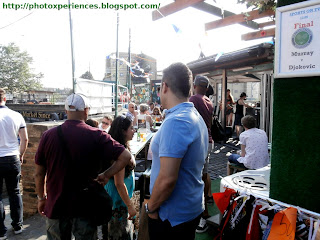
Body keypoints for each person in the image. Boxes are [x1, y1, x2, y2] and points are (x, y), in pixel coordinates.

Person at [34, 93, 133, 240]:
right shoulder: (97, 135)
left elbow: (39, 173)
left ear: (66, 111)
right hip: (85, 207)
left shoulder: (48, 135)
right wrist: (106, 175)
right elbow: (125, 156)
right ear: (86, 110)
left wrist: (41, 198)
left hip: (56, 204)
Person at [146, 63, 208, 240]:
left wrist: (151, 208)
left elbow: (167, 179)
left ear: (164, 86)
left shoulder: (177, 122)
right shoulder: (193, 115)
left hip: (172, 216)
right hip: (189, 207)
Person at [102, 116, 137, 240]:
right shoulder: (119, 152)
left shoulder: (118, 146)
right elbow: (119, 183)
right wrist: (130, 205)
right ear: (123, 131)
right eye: (131, 128)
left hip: (118, 198)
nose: (134, 131)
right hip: (118, 201)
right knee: (118, 234)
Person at [0, 88, 28, 239]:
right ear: (5, 99)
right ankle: (18, 226)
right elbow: (24, 139)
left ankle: (1, 231)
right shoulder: (16, 115)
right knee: (15, 191)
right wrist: (21, 155)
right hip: (12, 157)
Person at [189, 75, 213, 233]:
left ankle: (202, 212)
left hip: (199, 142)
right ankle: (208, 197)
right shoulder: (208, 101)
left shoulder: (193, 99)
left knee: (195, 177)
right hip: (209, 140)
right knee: (204, 174)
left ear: (194, 85)